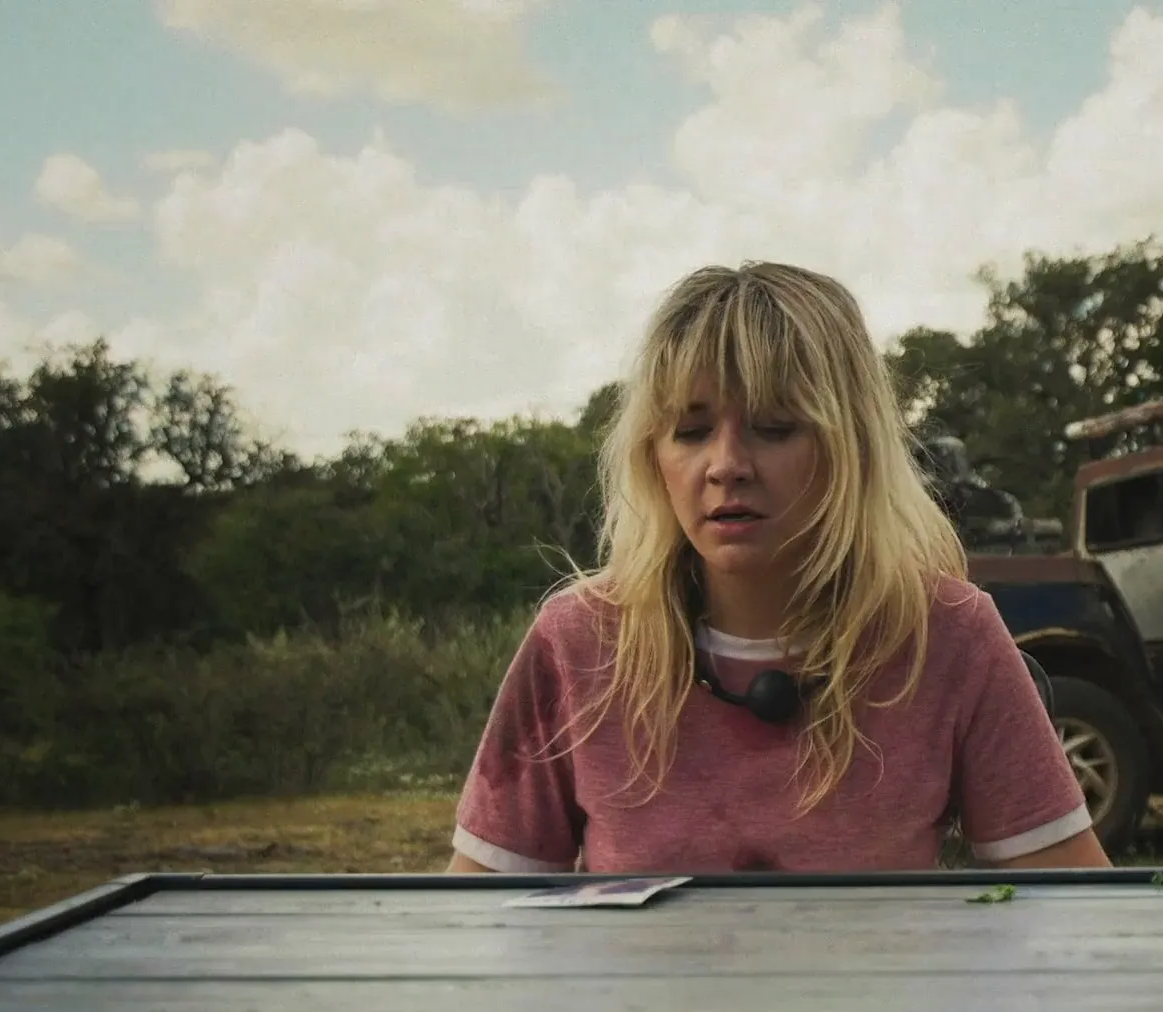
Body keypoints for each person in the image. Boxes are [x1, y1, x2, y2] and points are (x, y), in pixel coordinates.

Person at [446, 261, 1110, 875]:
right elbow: (478, 924)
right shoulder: (577, 643)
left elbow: (1072, 908)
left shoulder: (947, 634)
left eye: (774, 427)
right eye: (691, 431)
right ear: (653, 456)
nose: (726, 465)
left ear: (851, 446)